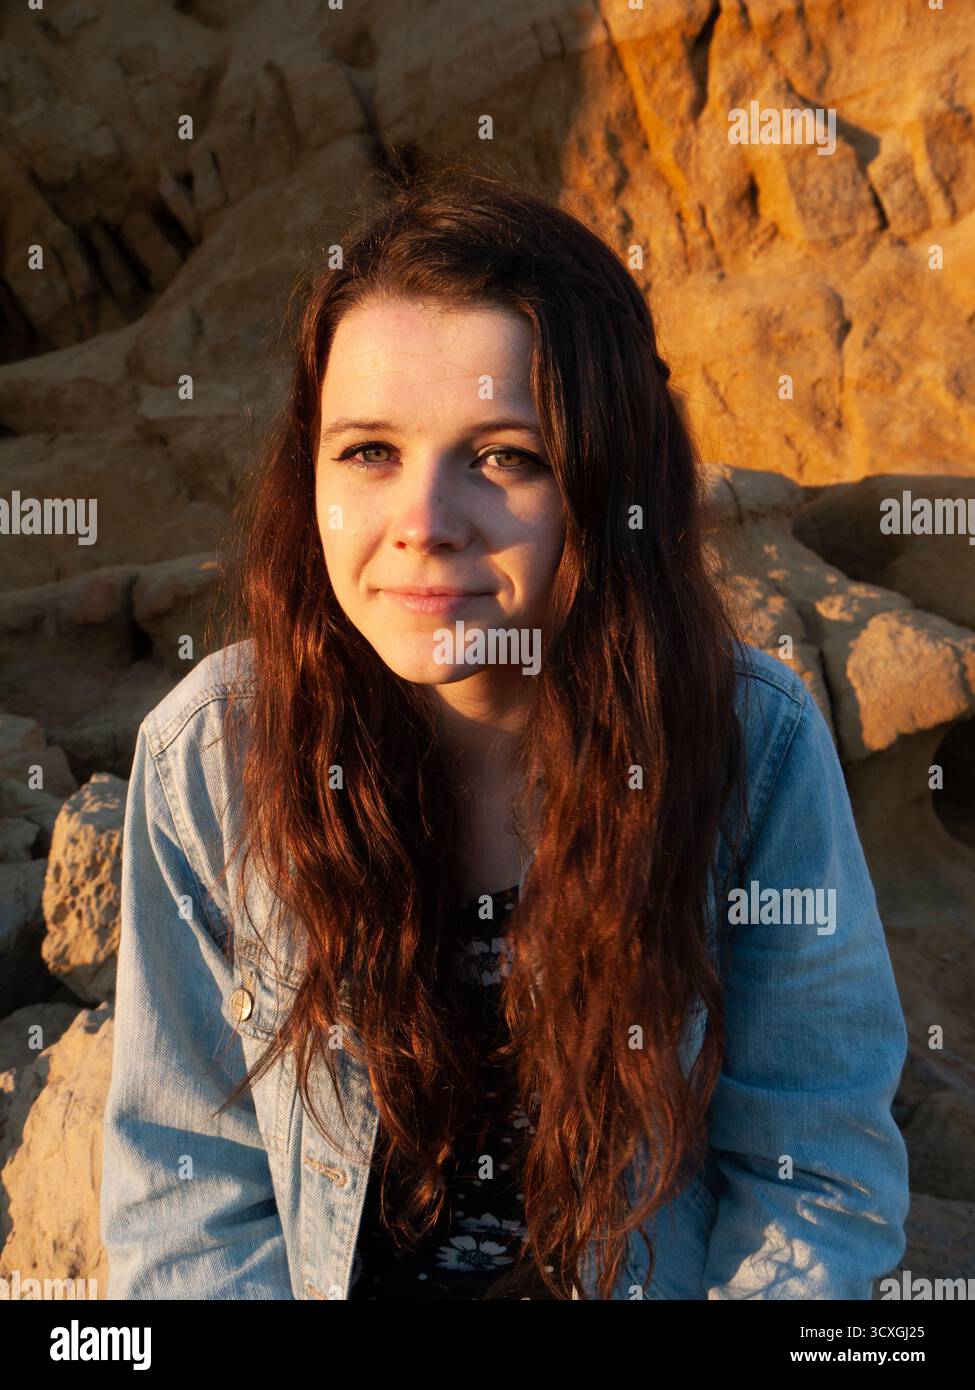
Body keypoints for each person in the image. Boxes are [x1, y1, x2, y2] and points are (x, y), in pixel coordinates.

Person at [99, 159, 910, 1300]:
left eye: (504, 457)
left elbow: (813, 1179)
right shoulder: (212, 758)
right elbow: (188, 1198)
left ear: (604, 476)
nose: (424, 523)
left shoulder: (747, 749)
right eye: (369, 452)